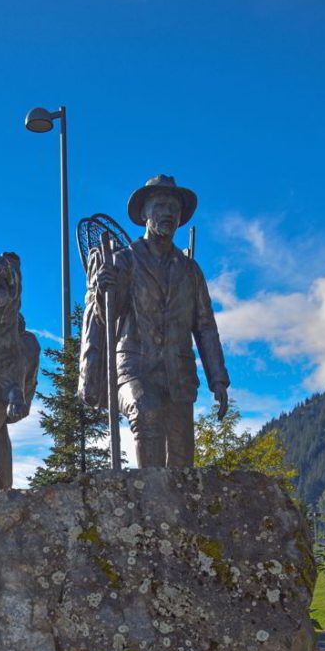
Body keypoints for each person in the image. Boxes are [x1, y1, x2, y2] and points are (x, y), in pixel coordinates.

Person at [79, 174, 230, 467]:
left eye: (174, 208)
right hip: (134, 369)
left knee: (182, 456)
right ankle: (148, 500)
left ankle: (180, 509)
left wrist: (218, 379)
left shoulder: (190, 270)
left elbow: (206, 327)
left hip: (178, 374)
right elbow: (107, 316)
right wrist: (102, 290)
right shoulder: (124, 260)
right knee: (146, 412)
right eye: (160, 206)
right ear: (145, 213)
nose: (168, 213)